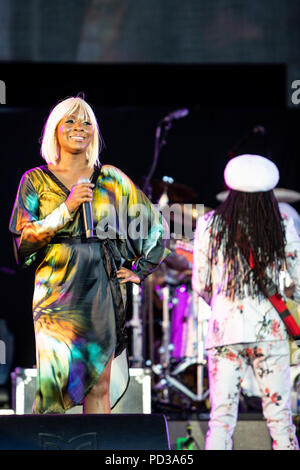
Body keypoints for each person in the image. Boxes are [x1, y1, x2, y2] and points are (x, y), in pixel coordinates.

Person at [9, 95, 169, 414]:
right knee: (52, 388)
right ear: (55, 129)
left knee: (100, 386)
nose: (79, 127)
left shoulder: (109, 178)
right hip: (55, 293)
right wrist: (66, 209)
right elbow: (23, 241)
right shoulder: (35, 179)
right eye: (70, 120)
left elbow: (156, 226)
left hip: (101, 289)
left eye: (86, 122)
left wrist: (142, 267)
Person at [192, 154, 300, 450]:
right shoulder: (281, 223)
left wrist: (222, 304)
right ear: (269, 193)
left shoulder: (210, 224)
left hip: (224, 333)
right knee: (280, 418)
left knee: (221, 419)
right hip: (270, 333)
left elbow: (200, 284)